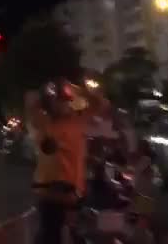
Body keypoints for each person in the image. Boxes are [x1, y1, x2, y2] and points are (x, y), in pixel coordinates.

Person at [25, 77, 109, 244]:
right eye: (57, 101)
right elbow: (30, 100)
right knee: (50, 236)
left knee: (71, 235)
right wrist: (45, 92)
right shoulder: (43, 122)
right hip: (49, 192)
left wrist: (74, 88)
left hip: (71, 193)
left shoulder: (78, 120)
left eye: (65, 101)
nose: (61, 105)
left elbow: (102, 104)